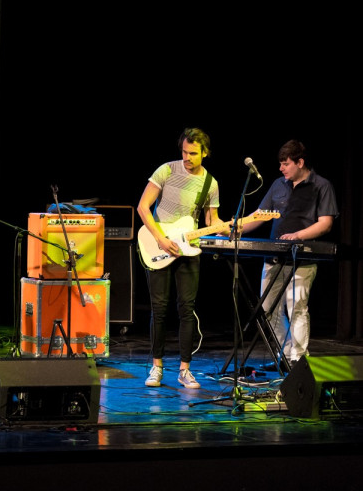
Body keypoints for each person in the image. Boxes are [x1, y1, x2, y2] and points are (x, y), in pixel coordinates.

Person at [137, 128, 222, 389]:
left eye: (193, 153)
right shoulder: (166, 170)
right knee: (159, 308)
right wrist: (161, 239)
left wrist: (229, 226)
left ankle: (185, 370)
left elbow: (212, 220)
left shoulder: (210, 183)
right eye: (184, 152)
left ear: (205, 153)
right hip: (160, 245)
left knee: (187, 309)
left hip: (188, 249)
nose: (187, 157)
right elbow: (143, 207)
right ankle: (156, 366)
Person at [241, 140, 337, 369]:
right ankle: (285, 355)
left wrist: (298, 235)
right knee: (268, 308)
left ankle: (298, 359)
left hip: (302, 259)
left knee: (297, 307)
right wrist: (234, 228)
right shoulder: (278, 184)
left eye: (285, 164)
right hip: (274, 257)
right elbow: (259, 215)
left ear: (300, 162)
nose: (281, 168)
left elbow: (325, 223)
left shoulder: (321, 185)